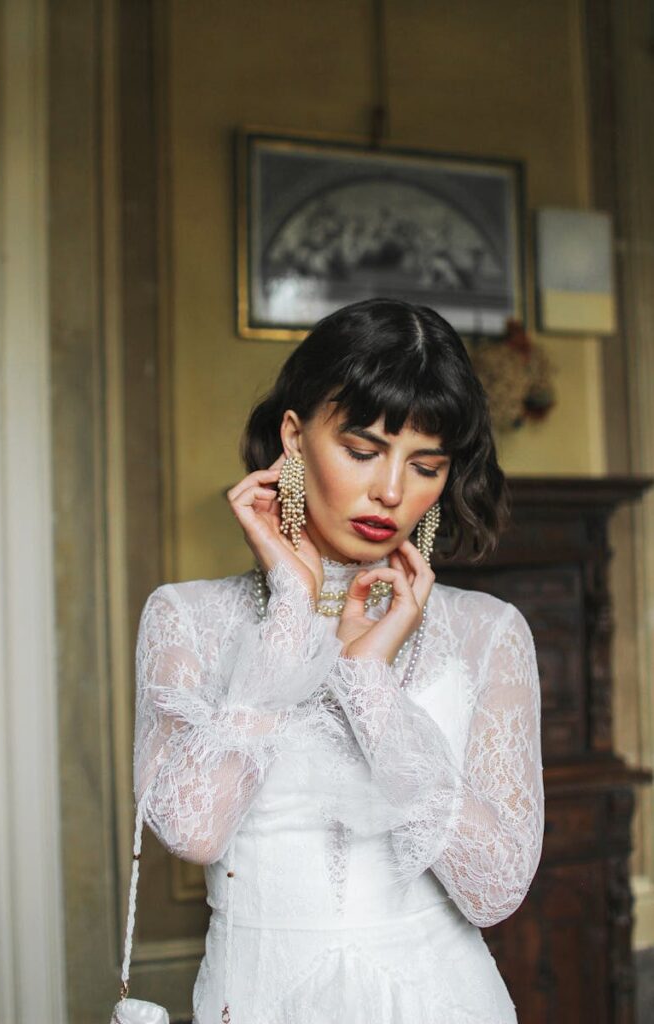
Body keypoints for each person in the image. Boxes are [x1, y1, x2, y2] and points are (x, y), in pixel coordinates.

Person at [132, 298, 545, 1024]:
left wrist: (367, 682)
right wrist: (291, 619)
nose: (390, 491)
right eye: (361, 451)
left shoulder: (488, 632)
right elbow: (194, 833)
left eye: (425, 465)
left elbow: (494, 890)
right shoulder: (186, 617)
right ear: (293, 438)